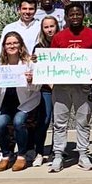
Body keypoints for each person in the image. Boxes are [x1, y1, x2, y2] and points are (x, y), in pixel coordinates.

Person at [48, 3, 92, 172]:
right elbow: (52, 59)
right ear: (67, 16)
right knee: (59, 122)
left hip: (83, 86)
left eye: (78, 14)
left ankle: (83, 154)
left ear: (83, 15)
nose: (75, 17)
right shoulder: (59, 37)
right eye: (72, 14)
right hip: (62, 87)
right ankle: (58, 155)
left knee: (83, 121)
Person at [0, 32, 41, 171]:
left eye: (15, 43)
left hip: (26, 101)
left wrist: (31, 80)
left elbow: (37, 88)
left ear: (20, 45)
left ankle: (22, 156)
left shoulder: (29, 63)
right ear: (4, 46)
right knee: (0, 124)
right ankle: (6, 155)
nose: (11, 46)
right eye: (8, 43)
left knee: (19, 122)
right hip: (6, 101)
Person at [30, 15, 60, 167]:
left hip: (62, 88)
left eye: (52, 26)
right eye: (46, 27)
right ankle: (39, 152)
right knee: (44, 120)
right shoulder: (39, 47)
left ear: (57, 26)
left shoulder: (62, 43)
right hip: (45, 89)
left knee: (59, 122)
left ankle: (57, 151)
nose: (49, 29)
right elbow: (37, 69)